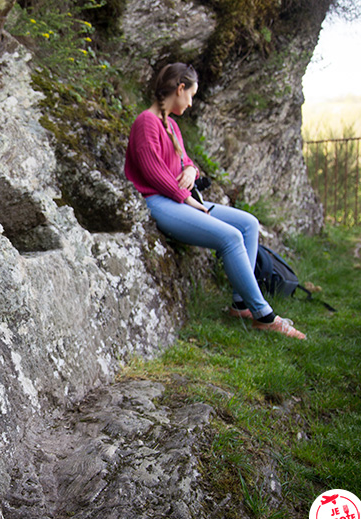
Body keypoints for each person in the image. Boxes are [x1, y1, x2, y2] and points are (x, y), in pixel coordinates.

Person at [124, 62, 306, 339]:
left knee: (248, 223)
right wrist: (188, 199)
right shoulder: (145, 122)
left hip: (181, 200)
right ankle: (264, 316)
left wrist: (190, 170)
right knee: (230, 237)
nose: (191, 103)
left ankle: (240, 304)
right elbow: (153, 173)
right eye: (192, 95)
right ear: (180, 88)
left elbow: (187, 162)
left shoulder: (170, 124)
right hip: (159, 201)